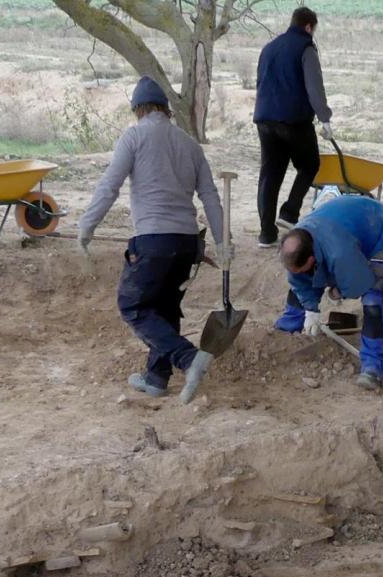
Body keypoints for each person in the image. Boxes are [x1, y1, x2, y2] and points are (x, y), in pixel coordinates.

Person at [77, 77, 229, 405]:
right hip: (188, 242)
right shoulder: (189, 144)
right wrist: (222, 240)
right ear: (165, 109)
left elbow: (109, 186)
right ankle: (156, 378)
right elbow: (210, 196)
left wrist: (86, 226)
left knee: (133, 305)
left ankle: (189, 358)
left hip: (153, 240)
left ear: (138, 110)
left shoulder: (134, 137)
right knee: (165, 307)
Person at [277, 194, 383, 391]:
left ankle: (374, 367)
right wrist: (311, 310)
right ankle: (287, 328)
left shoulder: (340, 253)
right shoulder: (298, 240)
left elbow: (360, 283)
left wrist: (338, 291)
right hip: (342, 228)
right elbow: (299, 280)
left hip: (375, 224)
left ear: (312, 256)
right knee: (303, 278)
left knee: (372, 300)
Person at [253, 6, 333, 249]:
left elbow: (260, 82)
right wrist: (324, 117)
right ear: (309, 26)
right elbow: (314, 87)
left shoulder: (269, 47)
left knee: (270, 175)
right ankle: (289, 213)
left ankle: (266, 234)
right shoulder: (306, 48)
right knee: (310, 165)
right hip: (294, 120)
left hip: (265, 119)